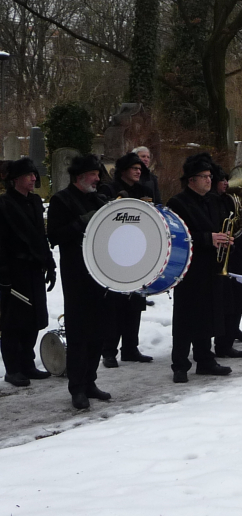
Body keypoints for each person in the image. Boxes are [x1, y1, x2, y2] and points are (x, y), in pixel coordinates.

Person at [47, 154, 112, 409]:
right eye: (94, 174)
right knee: (78, 334)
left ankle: (90, 382)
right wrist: (81, 222)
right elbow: (55, 236)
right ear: (79, 176)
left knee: (98, 332)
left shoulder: (97, 197)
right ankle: (77, 388)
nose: (98, 178)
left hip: (101, 273)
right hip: (76, 274)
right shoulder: (61, 200)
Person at [166, 153, 234, 383]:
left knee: (208, 315)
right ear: (191, 180)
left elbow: (220, 228)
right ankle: (180, 365)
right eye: (204, 176)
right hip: (188, 268)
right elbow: (174, 237)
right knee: (186, 318)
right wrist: (208, 238)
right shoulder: (177, 203)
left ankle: (205, 360)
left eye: (209, 176)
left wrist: (226, 239)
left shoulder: (214, 200)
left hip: (211, 266)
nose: (209, 179)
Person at [0, 158, 56, 387]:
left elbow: (41, 237)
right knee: (13, 321)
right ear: (15, 180)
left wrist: (50, 263)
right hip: (13, 270)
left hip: (33, 268)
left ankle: (28, 363)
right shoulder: (4, 204)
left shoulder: (34, 202)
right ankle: (13, 369)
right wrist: (3, 276)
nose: (34, 178)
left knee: (33, 319)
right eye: (28, 175)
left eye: (34, 174)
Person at [97, 151, 154, 368]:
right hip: (116, 251)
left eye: (140, 169)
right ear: (123, 171)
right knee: (114, 304)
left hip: (139, 249)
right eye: (134, 168)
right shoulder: (108, 190)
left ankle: (130, 348)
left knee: (135, 301)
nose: (139, 171)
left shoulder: (145, 190)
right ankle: (109, 351)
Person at [212, 165, 242, 358]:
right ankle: (222, 343)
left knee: (238, 300)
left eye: (226, 180)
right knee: (224, 304)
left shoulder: (229, 201)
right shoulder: (210, 203)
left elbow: (238, 231)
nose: (226, 184)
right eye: (222, 180)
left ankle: (231, 333)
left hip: (234, 256)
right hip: (217, 257)